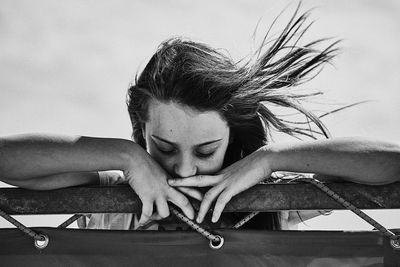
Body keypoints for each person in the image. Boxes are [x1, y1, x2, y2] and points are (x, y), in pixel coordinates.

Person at [0, 8, 399, 231]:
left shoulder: (273, 203)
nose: (185, 168)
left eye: (207, 150)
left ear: (231, 138)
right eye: (164, 147)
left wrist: (268, 160)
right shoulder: (114, 201)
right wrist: (127, 157)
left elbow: (392, 164)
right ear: (143, 131)